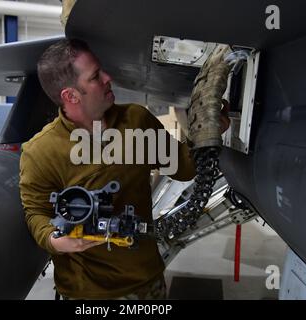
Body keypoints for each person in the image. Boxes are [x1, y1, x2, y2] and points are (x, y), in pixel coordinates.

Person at [19, 38, 230, 300]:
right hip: (85, 292)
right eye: (95, 77)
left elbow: (183, 168)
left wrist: (206, 133)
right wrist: (55, 240)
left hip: (144, 283)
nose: (108, 77)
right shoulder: (40, 152)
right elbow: (35, 212)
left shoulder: (136, 121)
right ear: (70, 95)